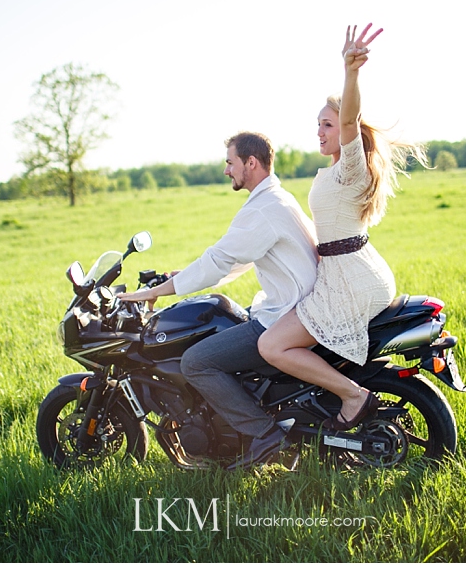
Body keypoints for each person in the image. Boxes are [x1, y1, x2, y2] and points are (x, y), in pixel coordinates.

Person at [258, 23, 429, 431]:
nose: (321, 130)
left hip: (350, 281)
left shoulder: (351, 166)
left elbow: (351, 121)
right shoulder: (335, 172)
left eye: (328, 125)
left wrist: (350, 72)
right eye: (318, 123)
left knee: (272, 344)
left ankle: (354, 396)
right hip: (350, 270)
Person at [117, 131, 318, 468]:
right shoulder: (276, 199)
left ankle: (264, 433)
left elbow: (217, 261)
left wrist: (150, 293)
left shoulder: (263, 209)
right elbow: (237, 259)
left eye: (230, 162)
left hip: (285, 316)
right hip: (291, 309)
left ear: (250, 163)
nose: (226, 170)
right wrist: (176, 277)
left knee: (195, 362)